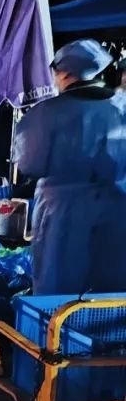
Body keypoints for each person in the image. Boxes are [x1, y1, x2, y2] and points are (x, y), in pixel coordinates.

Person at [12, 38, 126, 295]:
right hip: (118, 206)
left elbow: (30, 163)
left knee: (59, 284)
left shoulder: (46, 112)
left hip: (62, 212)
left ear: (64, 73)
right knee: (111, 288)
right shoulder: (122, 107)